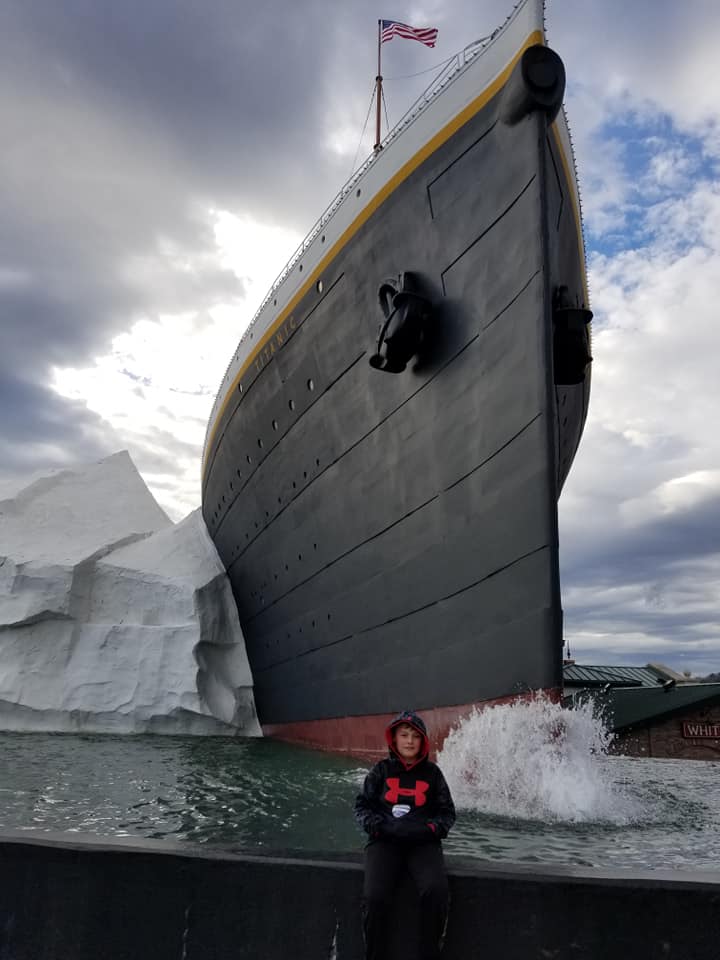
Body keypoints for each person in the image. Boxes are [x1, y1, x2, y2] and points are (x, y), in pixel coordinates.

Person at [354, 709, 456, 960]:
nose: (410, 741)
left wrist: (430, 829)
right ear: (394, 739)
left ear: (423, 741)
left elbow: (447, 813)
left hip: (423, 844)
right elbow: (362, 806)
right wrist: (377, 826)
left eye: (415, 736)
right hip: (384, 842)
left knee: (436, 891)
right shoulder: (381, 770)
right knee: (374, 897)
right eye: (404, 735)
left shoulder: (434, 774)